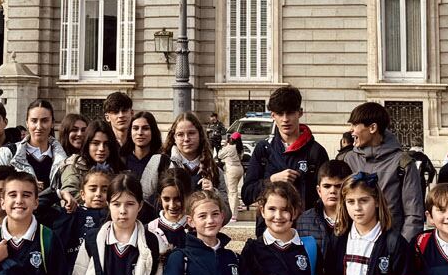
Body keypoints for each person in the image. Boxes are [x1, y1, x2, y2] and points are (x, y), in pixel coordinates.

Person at [241, 85, 330, 217]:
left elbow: (326, 198)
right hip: (269, 229)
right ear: (273, 115)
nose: (285, 119)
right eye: (280, 114)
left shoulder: (316, 152)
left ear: (300, 112)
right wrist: (271, 180)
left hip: (304, 229)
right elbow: (247, 195)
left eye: (290, 113)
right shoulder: (263, 149)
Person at [338, 102, 421, 244]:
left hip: (391, 248)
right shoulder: (346, 160)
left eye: (355, 125)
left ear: (372, 128)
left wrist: (401, 248)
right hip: (353, 245)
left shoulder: (403, 163)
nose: (351, 131)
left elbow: (413, 215)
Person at [0, 100, 67, 192]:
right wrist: (23, 187)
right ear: (27, 123)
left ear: (52, 123)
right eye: (34, 121)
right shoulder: (8, 153)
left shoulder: (64, 159)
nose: (39, 126)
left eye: (44, 121)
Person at [166, 112, 219, 195]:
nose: (186, 139)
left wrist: (213, 194)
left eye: (191, 133)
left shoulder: (213, 168)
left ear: (200, 135)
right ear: (174, 138)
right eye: (180, 134)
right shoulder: (163, 165)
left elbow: (225, 206)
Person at [127, 111, 165, 198]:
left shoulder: (162, 161)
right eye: (135, 128)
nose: (140, 133)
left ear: (153, 131)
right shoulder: (121, 159)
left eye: (145, 128)